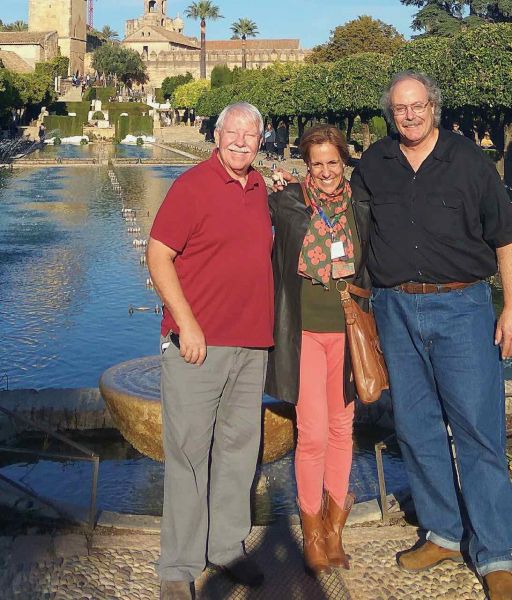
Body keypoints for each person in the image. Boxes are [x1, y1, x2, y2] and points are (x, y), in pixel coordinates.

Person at [350, 71, 512, 600]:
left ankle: (497, 553)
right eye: (400, 108)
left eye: (417, 106)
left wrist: (511, 308)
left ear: (433, 107)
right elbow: (346, 218)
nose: (410, 115)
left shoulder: (468, 161)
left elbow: (504, 236)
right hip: (395, 308)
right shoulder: (375, 163)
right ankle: (443, 533)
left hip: (462, 308)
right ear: (391, 113)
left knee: (478, 432)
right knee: (416, 427)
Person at [147, 102, 273, 600]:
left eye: (251, 134)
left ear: (260, 140)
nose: (241, 141)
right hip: (197, 345)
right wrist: (187, 323)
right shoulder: (192, 186)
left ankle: (226, 547)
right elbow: (158, 255)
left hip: (251, 343)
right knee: (188, 456)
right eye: (233, 132)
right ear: (217, 136)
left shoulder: (260, 186)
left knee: (239, 453)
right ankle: (178, 566)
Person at [266, 124, 371, 577]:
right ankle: (311, 529)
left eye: (332, 162)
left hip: (348, 333)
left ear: (343, 161)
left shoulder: (360, 205)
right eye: (317, 164)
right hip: (304, 331)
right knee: (312, 434)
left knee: (342, 429)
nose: (326, 171)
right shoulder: (288, 202)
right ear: (305, 166)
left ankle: (334, 528)